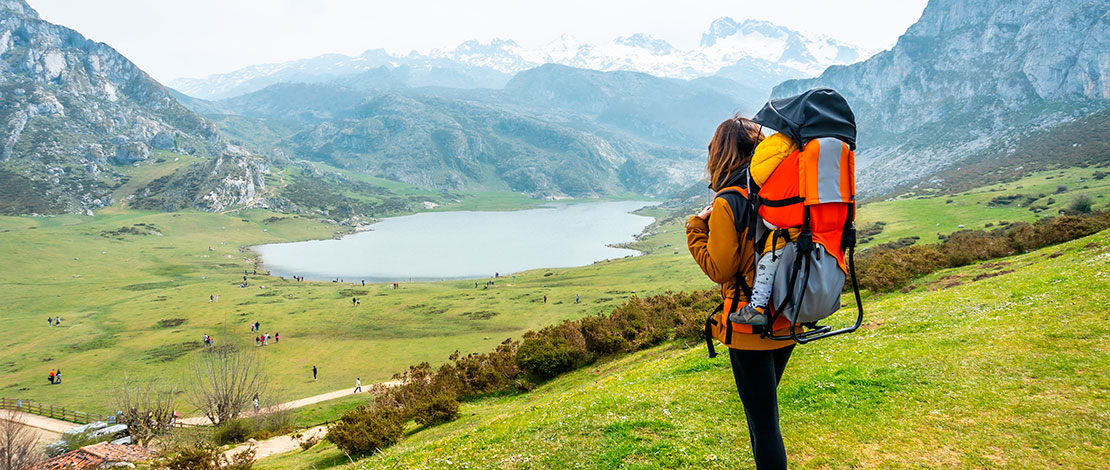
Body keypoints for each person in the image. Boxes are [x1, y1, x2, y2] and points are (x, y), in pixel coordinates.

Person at [686, 116, 798, 470]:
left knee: (763, 424)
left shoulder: (728, 201)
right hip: (787, 314)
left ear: (721, 154)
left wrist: (695, 229)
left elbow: (720, 269)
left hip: (748, 328)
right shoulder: (779, 193)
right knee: (763, 413)